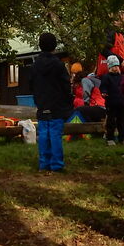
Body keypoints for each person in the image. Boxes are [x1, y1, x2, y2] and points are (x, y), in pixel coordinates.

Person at [30, 32, 73, 172]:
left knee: (43, 134)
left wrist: (37, 99)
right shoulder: (59, 65)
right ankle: (57, 165)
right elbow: (66, 85)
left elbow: (31, 84)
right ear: (54, 46)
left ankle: (44, 164)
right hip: (57, 105)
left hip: (42, 103)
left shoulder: (35, 65)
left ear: (40, 45)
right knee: (55, 135)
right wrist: (68, 101)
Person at [100, 55, 124, 145]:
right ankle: (110, 138)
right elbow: (103, 86)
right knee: (111, 121)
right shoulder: (106, 77)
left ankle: (123, 138)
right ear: (109, 67)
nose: (116, 68)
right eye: (114, 66)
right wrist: (104, 92)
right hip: (111, 102)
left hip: (121, 102)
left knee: (122, 121)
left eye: (117, 66)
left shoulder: (121, 77)